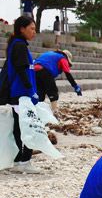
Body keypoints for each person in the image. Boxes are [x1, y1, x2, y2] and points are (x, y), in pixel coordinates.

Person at [5, 16, 39, 173]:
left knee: (21, 127)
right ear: (22, 29)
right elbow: (20, 70)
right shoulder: (18, 46)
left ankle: (20, 161)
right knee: (26, 127)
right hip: (20, 94)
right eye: (31, 28)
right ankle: (23, 161)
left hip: (21, 93)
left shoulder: (19, 45)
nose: (34, 32)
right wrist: (30, 90)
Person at [34, 50, 81, 115]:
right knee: (53, 91)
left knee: (40, 92)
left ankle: (37, 110)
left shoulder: (50, 54)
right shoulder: (63, 58)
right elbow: (67, 74)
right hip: (45, 70)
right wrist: (75, 86)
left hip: (34, 70)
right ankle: (54, 110)